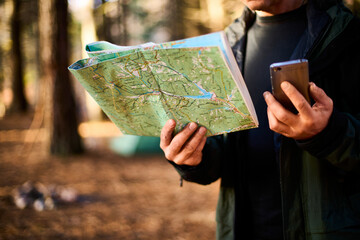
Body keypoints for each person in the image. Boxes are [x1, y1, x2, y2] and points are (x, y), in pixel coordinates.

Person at [160, 0, 360, 239]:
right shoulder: (227, 43)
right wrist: (193, 159)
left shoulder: (349, 35)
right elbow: (228, 154)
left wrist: (329, 134)